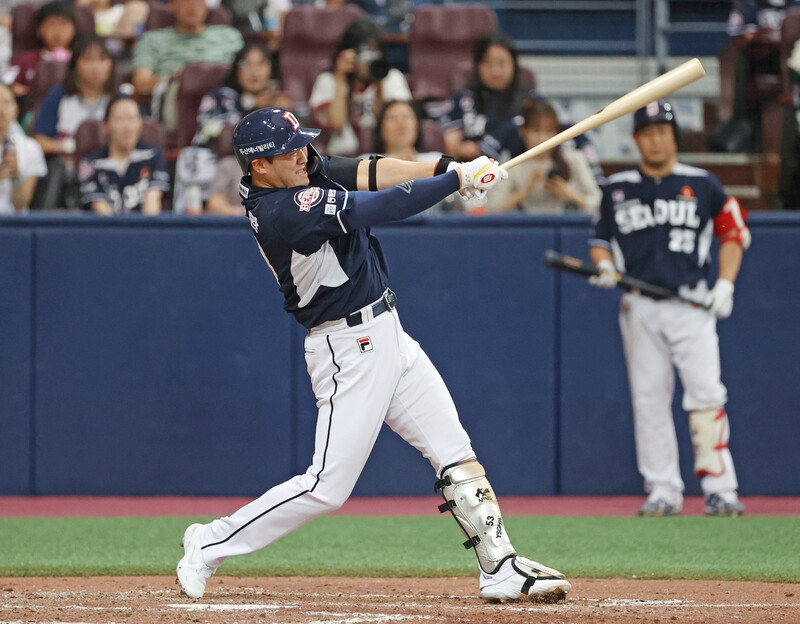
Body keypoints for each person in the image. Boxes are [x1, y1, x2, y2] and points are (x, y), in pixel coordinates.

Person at [175, 107, 572, 604]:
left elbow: (370, 169)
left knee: (454, 451)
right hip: (347, 348)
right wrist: (454, 184)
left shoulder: (299, 173)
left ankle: (500, 566)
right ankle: (210, 541)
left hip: (389, 333)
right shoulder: (283, 210)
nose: (302, 154)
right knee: (326, 487)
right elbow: (377, 206)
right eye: (288, 150)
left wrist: (448, 168)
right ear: (259, 165)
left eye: (302, 144)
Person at [588, 100, 750, 517]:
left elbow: (734, 232)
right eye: (647, 131)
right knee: (648, 400)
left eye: (663, 129)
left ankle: (720, 489)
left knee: (707, 394)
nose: (656, 138)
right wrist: (605, 268)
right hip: (640, 307)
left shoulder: (704, 183)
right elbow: (600, 241)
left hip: (692, 304)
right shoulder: (617, 187)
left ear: (675, 135)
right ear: (636, 139)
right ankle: (663, 489)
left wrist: (726, 285)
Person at [174, 41, 291, 214]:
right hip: (213, 161)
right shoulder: (220, 96)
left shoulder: (278, 102)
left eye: (261, 63)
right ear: (237, 70)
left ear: (270, 69)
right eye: (246, 64)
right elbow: (217, 133)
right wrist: (252, 106)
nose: (254, 70)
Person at [32, 35, 115, 210]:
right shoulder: (59, 96)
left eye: (102, 59)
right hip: (67, 170)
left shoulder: (118, 99)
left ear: (110, 64)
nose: (96, 67)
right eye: (88, 59)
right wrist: (69, 147)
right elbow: (39, 141)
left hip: (107, 170)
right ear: (75, 64)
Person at [131, 0, 243, 127]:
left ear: (207, 6)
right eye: (186, 1)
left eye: (198, 2)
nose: (192, 7)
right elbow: (141, 82)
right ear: (173, 5)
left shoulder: (229, 36)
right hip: (177, 100)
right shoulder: (152, 40)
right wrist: (172, 78)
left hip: (225, 99)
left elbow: (248, 67)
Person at [309, 18, 411, 156]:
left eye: (373, 51)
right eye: (363, 53)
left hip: (382, 156)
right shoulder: (328, 81)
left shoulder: (392, 78)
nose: (367, 59)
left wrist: (378, 78)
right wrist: (341, 79)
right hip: (341, 157)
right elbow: (337, 123)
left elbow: (393, 127)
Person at [485, 98, 600, 215]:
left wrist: (569, 193)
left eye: (548, 131)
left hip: (569, 228)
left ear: (556, 133)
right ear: (523, 132)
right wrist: (525, 191)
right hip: (528, 229)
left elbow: (596, 202)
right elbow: (492, 209)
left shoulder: (574, 159)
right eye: (535, 131)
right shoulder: (513, 166)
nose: (542, 138)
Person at [441, 33, 529, 162]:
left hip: (519, 170)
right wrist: (461, 149)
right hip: (473, 171)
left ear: (514, 65)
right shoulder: (462, 100)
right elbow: (451, 146)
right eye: (487, 63)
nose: (495, 70)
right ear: (478, 66)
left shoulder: (529, 102)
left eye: (501, 63)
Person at [78, 95, 169, 215]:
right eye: (119, 119)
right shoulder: (90, 164)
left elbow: (153, 203)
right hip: (108, 231)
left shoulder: (153, 156)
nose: (127, 127)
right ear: (105, 126)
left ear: (140, 124)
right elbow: (101, 210)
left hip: (145, 229)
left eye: (132, 119)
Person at [8, 0, 75, 114]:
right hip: (32, 114)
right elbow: (7, 84)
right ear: (39, 30)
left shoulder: (78, 59)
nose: (58, 31)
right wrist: (14, 89)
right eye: (52, 24)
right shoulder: (25, 60)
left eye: (63, 24)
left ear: (73, 29)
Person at [0, 83, 47, 213]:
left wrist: (16, 176)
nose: (2, 110)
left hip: (14, 225)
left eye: (7, 102)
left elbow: (20, 204)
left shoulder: (30, 148)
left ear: (16, 107)